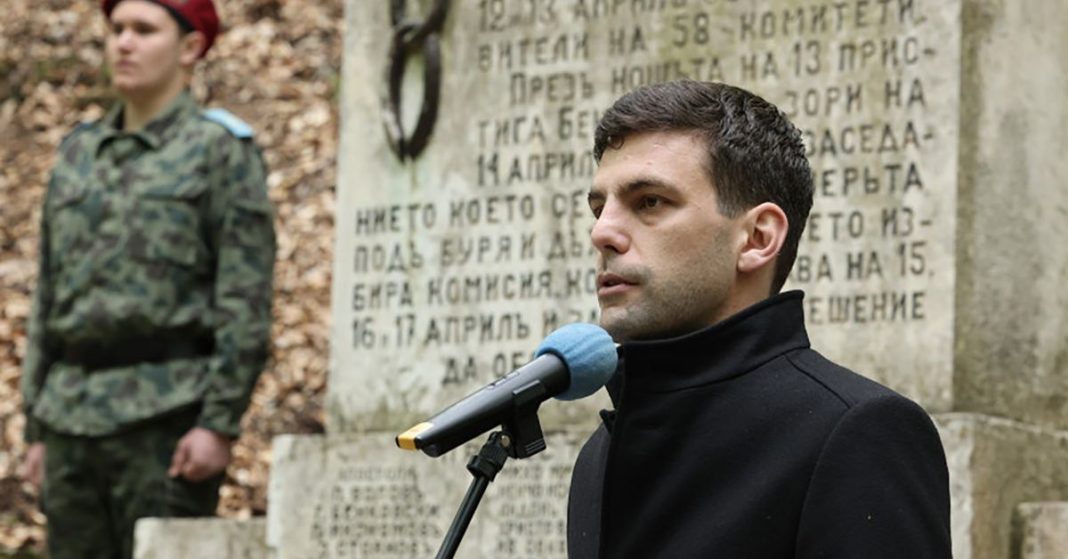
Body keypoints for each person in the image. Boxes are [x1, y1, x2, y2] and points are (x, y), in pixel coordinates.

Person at [567, 80, 951, 558]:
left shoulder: (857, 432)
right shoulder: (599, 456)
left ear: (757, 239)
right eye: (599, 208)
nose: (601, 233)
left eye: (649, 202)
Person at [19, 0, 275, 557]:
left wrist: (218, 423)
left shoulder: (218, 151)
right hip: (69, 419)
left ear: (190, 47)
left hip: (167, 420)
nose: (124, 43)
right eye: (116, 29)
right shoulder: (78, 153)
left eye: (143, 29)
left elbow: (245, 297)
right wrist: (35, 427)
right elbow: (48, 296)